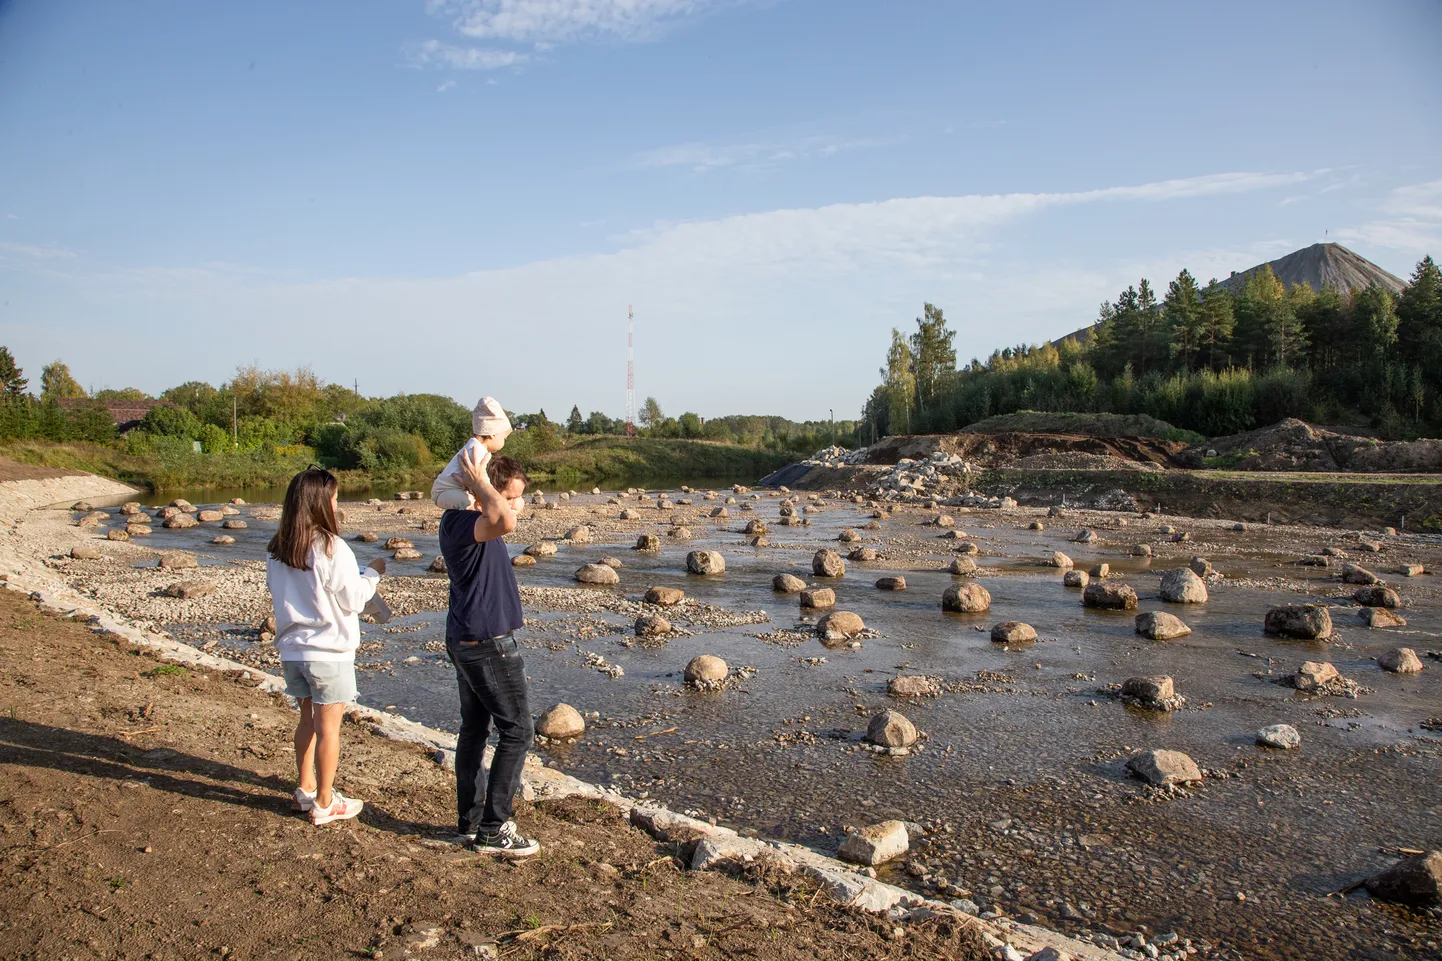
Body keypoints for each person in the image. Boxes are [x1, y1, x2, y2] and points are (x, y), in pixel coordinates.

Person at [265, 466, 384, 826]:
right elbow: (353, 600)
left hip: (294, 650)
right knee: (330, 728)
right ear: (320, 502)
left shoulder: (277, 548)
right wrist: (373, 574)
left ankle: (305, 789)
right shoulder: (332, 546)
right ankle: (325, 802)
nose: (337, 504)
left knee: (307, 721)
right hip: (329, 652)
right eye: (334, 497)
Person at [438, 448, 539, 856]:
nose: (519, 504)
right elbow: (503, 517)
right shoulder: (465, 522)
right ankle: (495, 828)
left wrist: (487, 488)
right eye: (512, 495)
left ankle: (472, 822)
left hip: (471, 638)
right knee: (518, 730)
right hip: (486, 642)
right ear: (486, 494)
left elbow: (503, 518)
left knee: (475, 730)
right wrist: (480, 481)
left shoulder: (473, 522)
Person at [431, 396, 512, 511]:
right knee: (471, 503)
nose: (504, 441)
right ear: (492, 434)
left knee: (476, 502)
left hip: (451, 491)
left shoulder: (475, 447)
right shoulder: (476, 451)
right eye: (504, 437)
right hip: (444, 493)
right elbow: (482, 480)